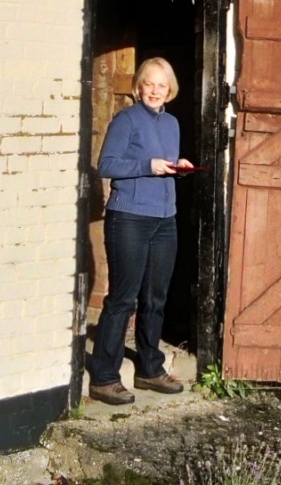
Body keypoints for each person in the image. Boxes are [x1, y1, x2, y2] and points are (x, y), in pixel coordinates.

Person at [89, 56, 193, 405]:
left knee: (155, 298)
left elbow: (163, 166)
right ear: (139, 86)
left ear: (170, 90)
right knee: (123, 299)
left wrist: (178, 168)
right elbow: (107, 165)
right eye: (149, 83)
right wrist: (148, 166)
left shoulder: (173, 124)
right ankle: (104, 377)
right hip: (130, 217)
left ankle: (150, 369)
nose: (155, 90)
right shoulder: (127, 119)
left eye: (161, 85)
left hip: (165, 218)